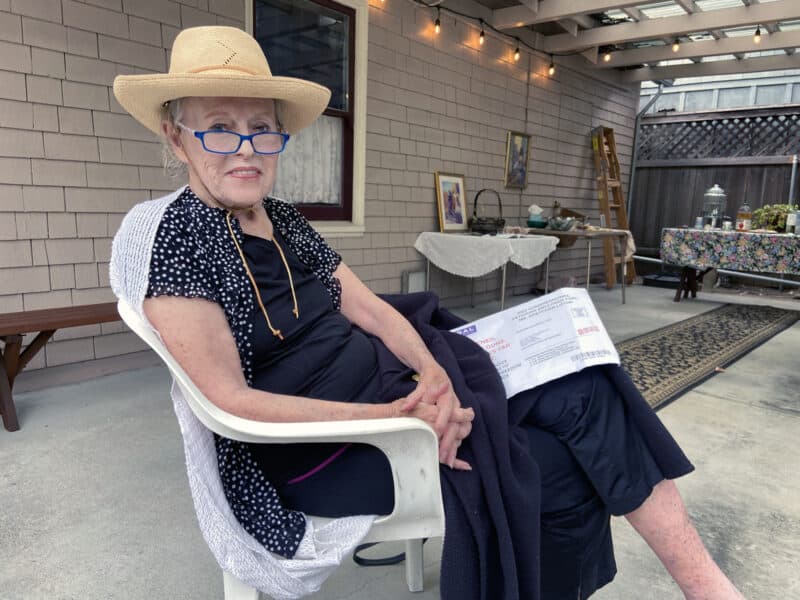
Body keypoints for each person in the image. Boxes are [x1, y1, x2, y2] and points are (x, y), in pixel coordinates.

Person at [110, 26, 745, 600]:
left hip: (392, 384)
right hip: (324, 448)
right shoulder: (172, 239)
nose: (246, 149)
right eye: (219, 127)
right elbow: (230, 400)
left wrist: (431, 377)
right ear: (175, 134)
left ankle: (707, 589)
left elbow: (367, 306)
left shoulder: (280, 216)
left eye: (262, 127)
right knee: (557, 467)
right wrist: (393, 418)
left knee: (588, 381)